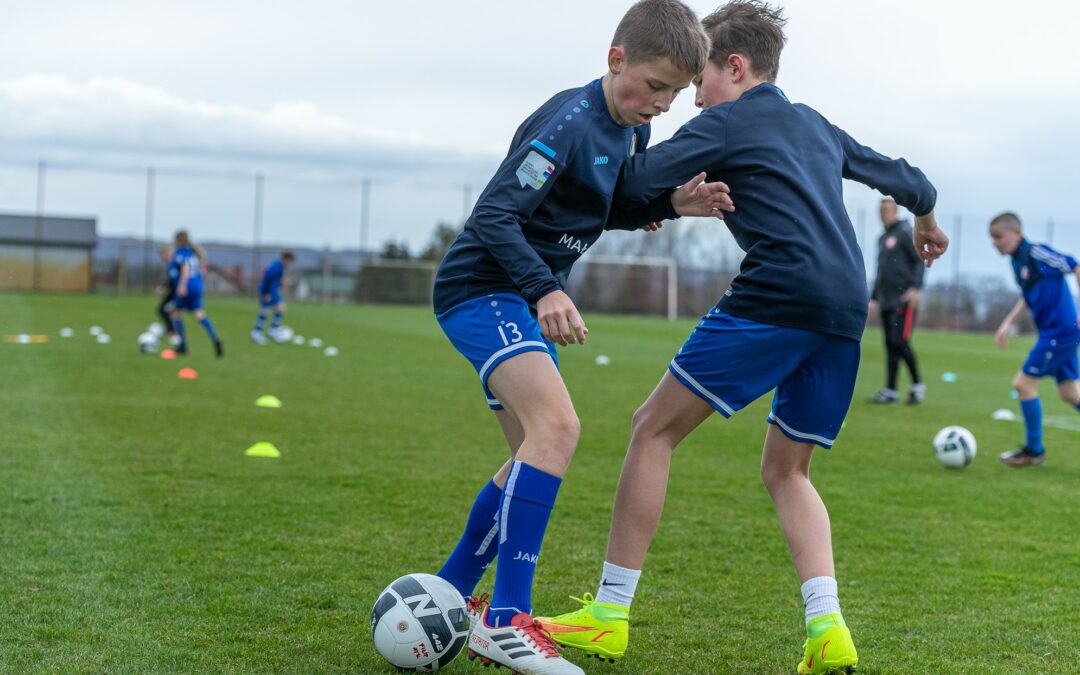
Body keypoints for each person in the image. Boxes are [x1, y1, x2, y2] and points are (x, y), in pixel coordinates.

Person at [535, 3, 948, 674]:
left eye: (701, 79)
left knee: (651, 429)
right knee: (787, 470)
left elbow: (635, 181)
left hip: (778, 294)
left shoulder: (727, 119)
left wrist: (653, 192)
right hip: (845, 309)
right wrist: (927, 222)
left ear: (735, 65)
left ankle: (608, 615)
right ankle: (827, 628)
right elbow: (914, 182)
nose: (693, 97)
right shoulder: (814, 123)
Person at [429, 2, 730, 673]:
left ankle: (453, 592)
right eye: (652, 86)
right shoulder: (566, 122)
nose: (659, 104)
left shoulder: (629, 130)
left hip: (513, 293)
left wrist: (668, 203)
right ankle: (507, 620)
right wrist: (545, 288)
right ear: (615, 58)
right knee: (559, 428)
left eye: (675, 95)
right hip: (482, 287)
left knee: (530, 456)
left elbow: (609, 203)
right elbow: (497, 215)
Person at [990, 212, 1080, 466]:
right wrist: (1008, 321)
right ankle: (1034, 450)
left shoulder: (1037, 253)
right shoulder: (1017, 262)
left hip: (1061, 331)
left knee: (1023, 383)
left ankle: (1034, 450)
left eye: (999, 237)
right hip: (1055, 332)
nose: (995, 243)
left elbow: (1074, 265)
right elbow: (1027, 296)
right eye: (992, 239)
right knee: (1070, 393)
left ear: (1017, 232)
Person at [868, 198, 927, 405]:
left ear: (896, 211)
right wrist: (874, 298)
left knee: (900, 342)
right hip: (886, 300)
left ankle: (918, 386)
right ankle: (891, 391)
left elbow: (919, 260)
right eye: (881, 210)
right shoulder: (883, 237)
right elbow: (881, 271)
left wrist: (915, 288)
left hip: (904, 299)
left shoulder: (904, 232)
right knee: (890, 345)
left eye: (887, 210)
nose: (884, 214)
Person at [170, 230, 223, 358]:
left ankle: (182, 346)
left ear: (178, 240)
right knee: (199, 313)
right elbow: (203, 269)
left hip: (187, 285)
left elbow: (185, 268)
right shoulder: (194, 253)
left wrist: (182, 286)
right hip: (198, 285)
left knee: (175, 313)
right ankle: (215, 337)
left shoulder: (181, 252)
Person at [251, 250, 295, 344]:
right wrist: (267, 293)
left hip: (271, 291)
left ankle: (272, 331)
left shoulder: (279, 266)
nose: (289, 264)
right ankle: (257, 333)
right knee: (268, 310)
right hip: (268, 291)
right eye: (289, 261)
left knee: (277, 309)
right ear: (284, 259)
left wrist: (282, 282)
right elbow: (269, 281)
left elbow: (273, 280)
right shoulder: (276, 267)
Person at [156, 245, 177, 338]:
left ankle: (172, 332)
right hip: (173, 292)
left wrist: (163, 287)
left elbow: (174, 280)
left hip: (176, 293)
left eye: (163, 254)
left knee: (163, 310)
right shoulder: (170, 264)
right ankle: (172, 331)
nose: (162, 257)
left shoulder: (173, 264)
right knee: (166, 311)